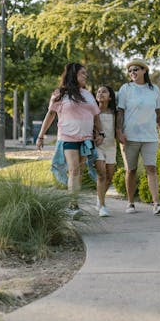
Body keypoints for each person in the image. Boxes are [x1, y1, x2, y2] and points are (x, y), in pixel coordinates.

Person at [37, 63, 104, 219]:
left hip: (86, 138)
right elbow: (51, 115)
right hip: (68, 137)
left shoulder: (88, 95)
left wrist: (101, 133)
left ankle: (73, 202)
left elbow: (96, 116)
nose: (85, 76)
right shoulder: (60, 94)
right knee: (73, 169)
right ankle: (72, 206)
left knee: (78, 171)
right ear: (73, 75)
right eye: (82, 73)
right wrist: (41, 136)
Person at [116, 58, 160, 215]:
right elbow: (120, 112)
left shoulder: (154, 90)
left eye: (136, 69)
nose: (132, 73)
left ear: (144, 71)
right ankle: (130, 203)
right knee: (130, 170)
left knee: (151, 168)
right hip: (130, 136)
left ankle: (156, 204)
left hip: (150, 137)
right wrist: (119, 131)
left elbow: (158, 114)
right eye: (130, 71)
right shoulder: (126, 88)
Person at [94, 85, 117, 217]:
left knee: (110, 176)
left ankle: (99, 197)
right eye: (98, 91)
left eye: (104, 91)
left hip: (111, 147)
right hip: (98, 147)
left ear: (110, 97)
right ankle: (102, 206)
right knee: (102, 174)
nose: (100, 93)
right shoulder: (93, 111)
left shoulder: (114, 113)